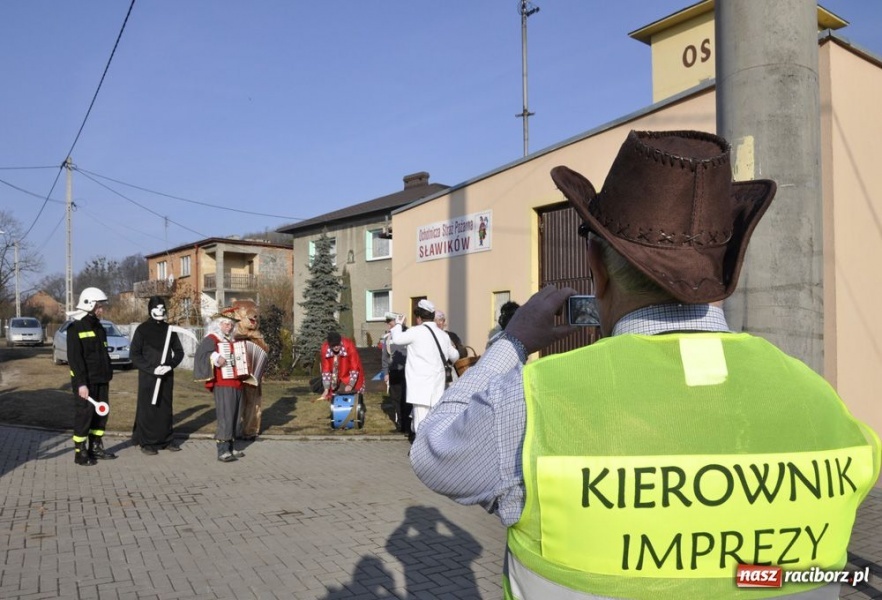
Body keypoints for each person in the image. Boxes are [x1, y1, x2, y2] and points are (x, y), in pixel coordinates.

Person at [410, 130, 881, 599]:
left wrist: (511, 344)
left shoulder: (538, 401)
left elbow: (433, 451)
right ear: (722, 267)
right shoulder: (820, 399)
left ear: (595, 263)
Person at [389, 299, 459, 437]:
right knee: (436, 419)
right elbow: (455, 356)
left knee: (420, 420)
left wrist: (398, 324)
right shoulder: (443, 335)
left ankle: (421, 450)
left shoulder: (416, 332)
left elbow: (396, 339)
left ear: (418, 317)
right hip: (438, 384)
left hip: (419, 385)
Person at [66, 287, 117, 466]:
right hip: (85, 383)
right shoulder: (75, 328)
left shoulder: (100, 328)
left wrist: (108, 373)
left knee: (101, 415)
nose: (102, 310)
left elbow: (103, 353)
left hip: (101, 380)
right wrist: (81, 384)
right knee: (84, 415)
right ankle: (80, 453)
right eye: (99, 306)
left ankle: (95, 447)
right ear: (89, 305)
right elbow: (75, 359)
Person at [130, 296, 185, 455]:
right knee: (148, 407)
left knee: (165, 407)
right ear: (150, 310)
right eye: (157, 308)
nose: (160, 311)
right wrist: (152, 369)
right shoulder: (142, 330)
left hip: (166, 376)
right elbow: (135, 354)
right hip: (148, 376)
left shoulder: (170, 330)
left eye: (163, 309)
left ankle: (166, 440)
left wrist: (169, 366)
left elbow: (179, 352)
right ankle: (147, 442)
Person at [194, 307, 246, 463]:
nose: (228, 327)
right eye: (225, 324)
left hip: (237, 382)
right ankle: (222, 450)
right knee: (226, 415)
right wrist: (216, 357)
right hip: (223, 382)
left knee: (236, 416)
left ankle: (231, 446)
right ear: (218, 325)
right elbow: (201, 355)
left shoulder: (233, 340)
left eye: (230, 325)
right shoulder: (212, 338)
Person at [231, 298, 268, 441]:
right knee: (236, 401)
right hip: (236, 373)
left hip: (253, 374)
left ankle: (250, 430)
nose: (254, 319)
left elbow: (264, 352)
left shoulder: (257, 334)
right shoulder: (233, 332)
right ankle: (233, 429)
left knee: (254, 402)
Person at [381, 312, 409, 434]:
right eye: (387, 322)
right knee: (396, 399)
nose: (388, 325)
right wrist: (385, 372)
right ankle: (400, 424)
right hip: (394, 372)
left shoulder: (407, 335)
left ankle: (408, 425)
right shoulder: (387, 338)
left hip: (407, 371)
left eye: (390, 322)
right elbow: (385, 357)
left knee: (407, 398)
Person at [319, 331, 365, 400]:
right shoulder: (325, 349)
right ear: (329, 345)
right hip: (335, 373)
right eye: (333, 345)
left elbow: (354, 366)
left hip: (349, 371)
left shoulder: (349, 345)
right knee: (334, 394)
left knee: (355, 393)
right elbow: (326, 370)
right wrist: (326, 389)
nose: (336, 347)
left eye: (337, 344)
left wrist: (350, 384)